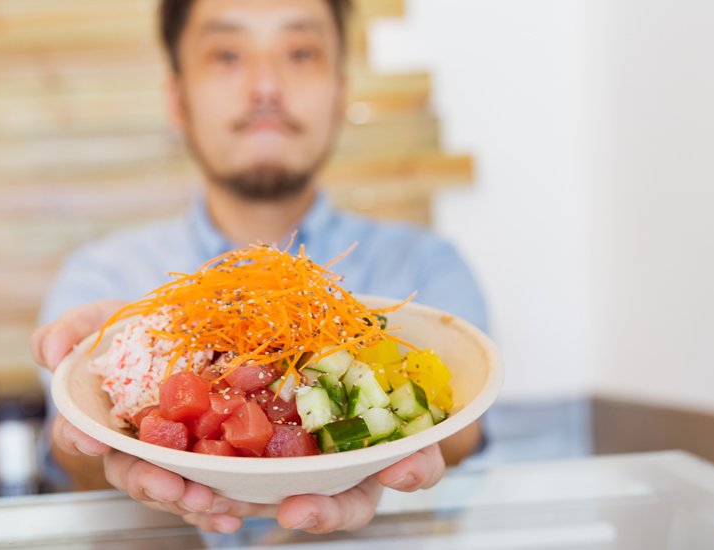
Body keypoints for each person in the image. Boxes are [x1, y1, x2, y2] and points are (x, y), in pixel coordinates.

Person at [30, 0, 489, 535]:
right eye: (227, 54)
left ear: (341, 92)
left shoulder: (427, 266)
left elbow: (461, 428)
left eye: (299, 52)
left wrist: (386, 452)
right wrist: (90, 437)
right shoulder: (101, 279)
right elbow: (75, 454)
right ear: (177, 97)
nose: (265, 86)